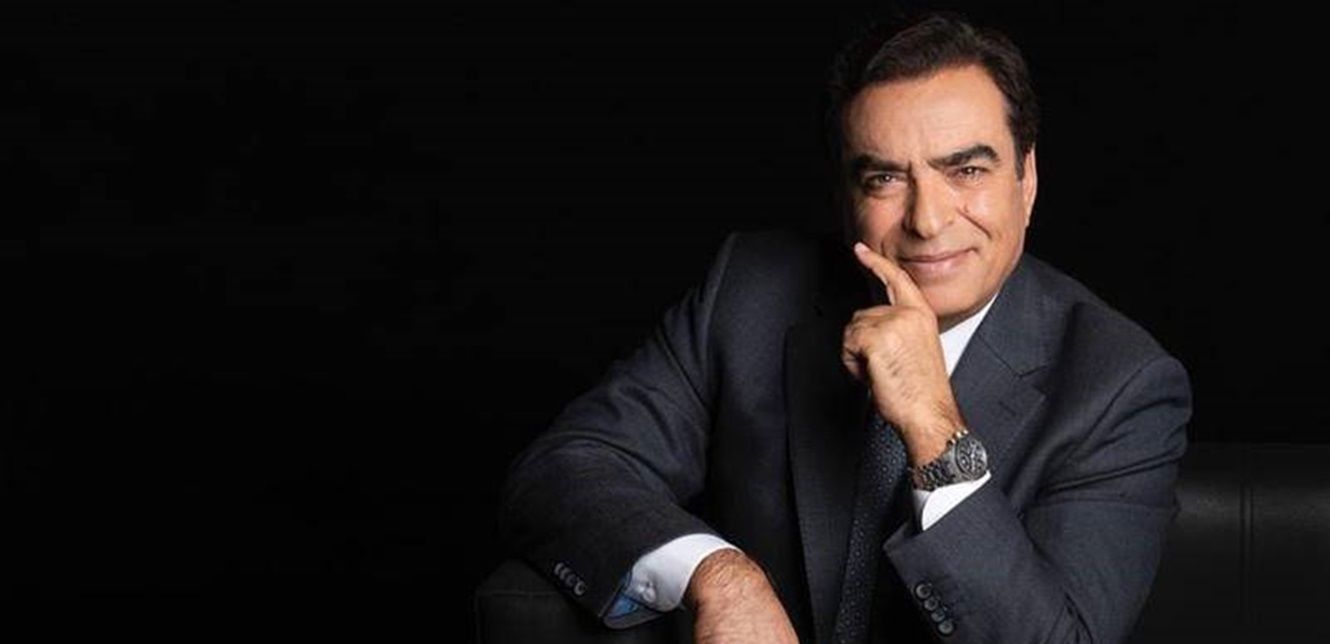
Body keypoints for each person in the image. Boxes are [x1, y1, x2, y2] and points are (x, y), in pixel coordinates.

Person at [497, 10, 1190, 644]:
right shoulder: (750, 291)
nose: (927, 220)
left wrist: (932, 425)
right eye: (885, 179)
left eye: (966, 170)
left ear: (1027, 179)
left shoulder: (1119, 385)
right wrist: (720, 578)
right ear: (846, 195)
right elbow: (564, 469)